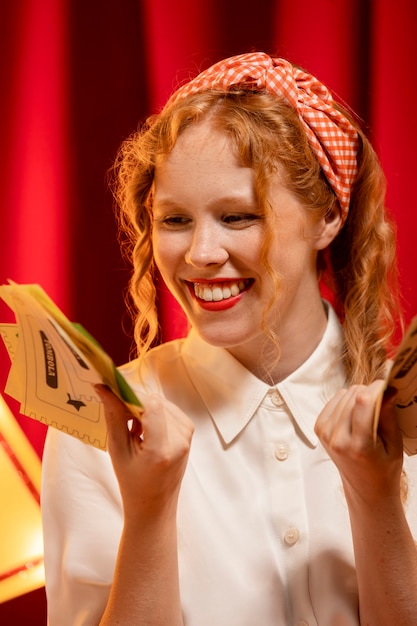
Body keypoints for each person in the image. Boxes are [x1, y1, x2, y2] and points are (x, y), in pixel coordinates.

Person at [41, 52, 417, 625]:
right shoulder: (101, 425)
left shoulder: (405, 408)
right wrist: (149, 513)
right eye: (175, 220)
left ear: (327, 217)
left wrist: (378, 501)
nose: (200, 255)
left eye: (238, 217)